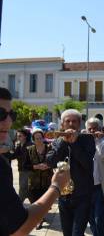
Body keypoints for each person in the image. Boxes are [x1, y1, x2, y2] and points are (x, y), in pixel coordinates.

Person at [0, 87, 70, 235]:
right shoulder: (21, 153)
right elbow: (19, 228)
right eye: (1, 114)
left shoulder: (49, 146)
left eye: (11, 115)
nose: (8, 121)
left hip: (43, 181)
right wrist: (57, 186)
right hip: (32, 180)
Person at [46, 109, 96, 236]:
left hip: (83, 195)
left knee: (77, 233)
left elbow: (88, 164)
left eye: (74, 121)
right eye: (67, 121)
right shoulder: (58, 141)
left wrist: (74, 144)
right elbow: (50, 161)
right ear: (62, 124)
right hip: (64, 196)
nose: (71, 124)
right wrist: (64, 142)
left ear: (79, 124)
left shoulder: (88, 139)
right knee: (67, 233)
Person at [24, 128, 53, 229]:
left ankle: (40, 218)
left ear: (43, 138)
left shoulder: (49, 148)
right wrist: (36, 166)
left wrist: (48, 166)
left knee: (45, 203)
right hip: (33, 181)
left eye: (40, 138)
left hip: (47, 180)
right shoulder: (29, 150)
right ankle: (39, 219)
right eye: (36, 138)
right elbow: (24, 166)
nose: (39, 140)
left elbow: (55, 161)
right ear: (33, 139)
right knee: (35, 202)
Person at [9, 128, 32, 202]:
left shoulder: (30, 145)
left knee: (23, 188)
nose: (18, 137)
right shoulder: (19, 145)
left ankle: (19, 203)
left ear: (25, 136)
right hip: (22, 169)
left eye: (20, 136)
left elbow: (26, 158)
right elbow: (13, 156)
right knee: (25, 188)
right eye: (17, 136)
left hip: (28, 170)